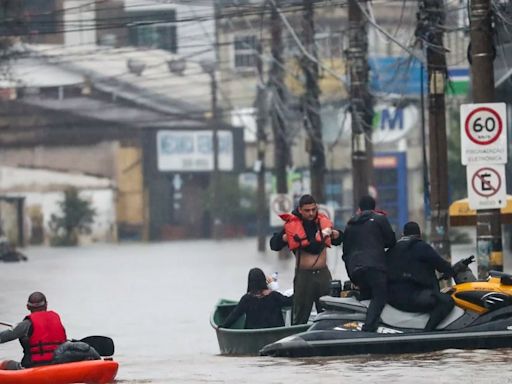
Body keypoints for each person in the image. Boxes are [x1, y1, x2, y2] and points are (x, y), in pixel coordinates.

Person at [269, 194, 343, 325]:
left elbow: (340, 239)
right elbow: (274, 245)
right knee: (300, 315)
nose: (311, 213)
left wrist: (336, 234)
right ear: (300, 210)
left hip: (323, 274)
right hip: (304, 276)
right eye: (307, 210)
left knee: (330, 312)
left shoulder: (321, 222)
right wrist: (284, 238)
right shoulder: (292, 225)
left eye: (314, 209)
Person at [386, 221, 455, 331]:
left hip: (392, 297)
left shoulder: (393, 249)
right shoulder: (421, 247)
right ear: (420, 235)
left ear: (403, 234)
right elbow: (441, 265)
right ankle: (428, 332)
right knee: (446, 301)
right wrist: (451, 270)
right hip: (413, 296)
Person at [342, 195, 396, 332]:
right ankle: (369, 328)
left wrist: (351, 273)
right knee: (380, 296)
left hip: (355, 269)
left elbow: (345, 251)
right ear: (374, 207)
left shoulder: (350, 224)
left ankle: (358, 325)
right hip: (374, 266)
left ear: (359, 209)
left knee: (366, 296)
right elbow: (391, 241)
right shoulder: (379, 219)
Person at [0, 292, 67, 370]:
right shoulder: (56, 319)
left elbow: (1, 338)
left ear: (28, 307)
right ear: (46, 305)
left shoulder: (25, 325)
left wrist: (18, 329)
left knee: (6, 364)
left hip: (33, 367)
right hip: (59, 363)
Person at [218, 268, 293, 329]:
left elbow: (234, 315)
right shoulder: (274, 295)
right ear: (264, 281)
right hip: (276, 333)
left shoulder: (246, 299)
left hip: (253, 334)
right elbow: (290, 301)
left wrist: (223, 326)